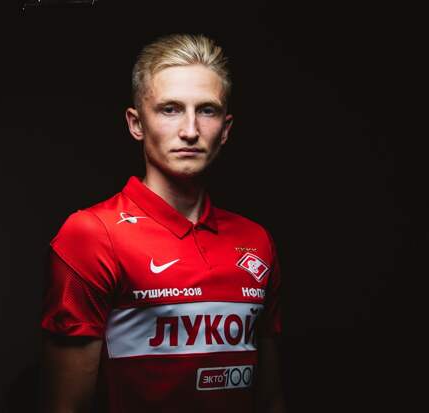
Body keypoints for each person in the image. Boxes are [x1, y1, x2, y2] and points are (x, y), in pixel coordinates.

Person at [40, 33, 285, 413]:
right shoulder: (93, 233)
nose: (190, 130)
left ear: (226, 129)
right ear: (136, 123)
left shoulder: (256, 241)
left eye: (207, 110)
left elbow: (269, 399)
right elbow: (65, 407)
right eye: (170, 109)